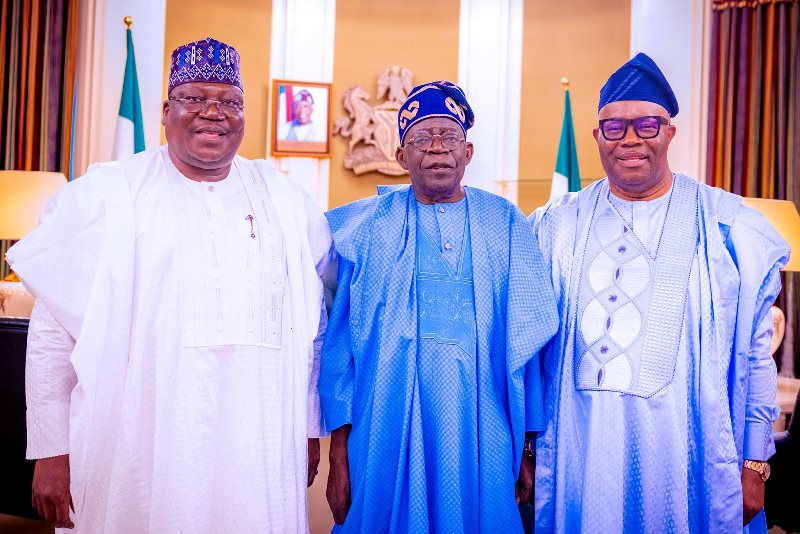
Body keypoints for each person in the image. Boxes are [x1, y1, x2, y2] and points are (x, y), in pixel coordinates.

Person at [6, 37, 333, 533]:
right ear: (165, 111)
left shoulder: (286, 200)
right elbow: (53, 334)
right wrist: (51, 448)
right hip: (134, 445)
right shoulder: (107, 194)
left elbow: (314, 325)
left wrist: (308, 427)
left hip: (260, 443)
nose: (213, 112)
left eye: (229, 101)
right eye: (194, 97)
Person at [529, 53, 789, 533]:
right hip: (579, 456)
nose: (630, 139)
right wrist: (526, 448)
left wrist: (755, 463)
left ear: (670, 132)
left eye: (647, 125)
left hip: (689, 459)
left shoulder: (727, 227)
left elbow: (756, 355)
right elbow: (526, 344)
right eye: (614, 127)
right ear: (596, 136)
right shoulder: (553, 226)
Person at [320, 81, 558, 533]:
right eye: (421, 138)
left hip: (484, 427)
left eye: (449, 136)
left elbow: (528, 341)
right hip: (384, 425)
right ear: (400, 156)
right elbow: (339, 348)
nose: (436, 148)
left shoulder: (506, 223)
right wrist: (338, 454)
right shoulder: (363, 231)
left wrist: (528, 447)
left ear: (467, 152)